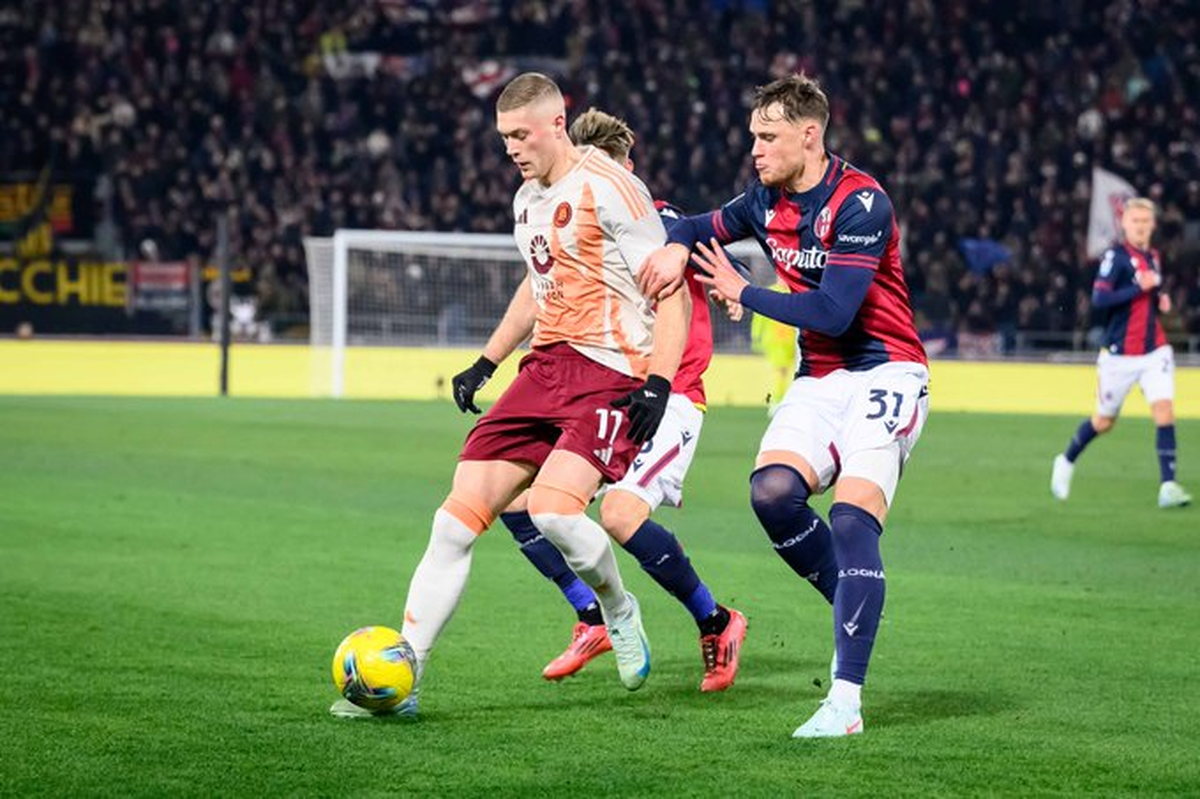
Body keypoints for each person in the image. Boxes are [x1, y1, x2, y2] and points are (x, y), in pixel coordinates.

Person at [331, 73, 688, 718]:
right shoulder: (526, 198)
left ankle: (617, 608)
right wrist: (486, 360)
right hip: (544, 369)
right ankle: (404, 679)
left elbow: (672, 289)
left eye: (521, 135)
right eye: (503, 139)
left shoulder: (614, 187)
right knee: (452, 523)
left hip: (612, 371)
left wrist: (660, 382)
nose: (513, 149)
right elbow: (535, 283)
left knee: (553, 512)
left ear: (559, 123)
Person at [638, 74, 930, 738]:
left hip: (887, 370)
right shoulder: (763, 201)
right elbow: (692, 221)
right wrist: (679, 242)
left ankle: (845, 700)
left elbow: (833, 309)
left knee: (855, 518)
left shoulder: (862, 202)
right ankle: (853, 603)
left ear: (810, 134)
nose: (756, 149)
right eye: (752, 136)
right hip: (820, 378)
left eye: (768, 137)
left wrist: (746, 291)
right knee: (771, 493)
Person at [499, 108, 748, 693]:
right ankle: (591, 615)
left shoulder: (659, 220)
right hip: (601, 393)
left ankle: (717, 621)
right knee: (516, 502)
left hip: (670, 396)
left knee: (619, 514)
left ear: (627, 169)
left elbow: (708, 257)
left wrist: (728, 287)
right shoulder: (566, 225)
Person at [1051, 198, 1191, 508]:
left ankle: (1168, 485)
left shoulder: (1152, 256)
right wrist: (1140, 288)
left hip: (1155, 350)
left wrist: (1160, 298)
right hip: (1118, 356)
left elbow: (1149, 294)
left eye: (1145, 221)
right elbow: (1100, 299)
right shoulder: (1115, 257)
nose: (1141, 226)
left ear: (1152, 225)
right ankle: (1066, 460)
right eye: (1135, 221)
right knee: (1103, 422)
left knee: (1164, 411)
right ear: (1124, 224)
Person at [751, 279, 798, 415]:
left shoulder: (793, 292)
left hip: (792, 340)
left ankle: (784, 401)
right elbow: (759, 316)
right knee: (780, 371)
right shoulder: (770, 292)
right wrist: (756, 336)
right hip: (775, 340)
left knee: (790, 372)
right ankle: (776, 402)